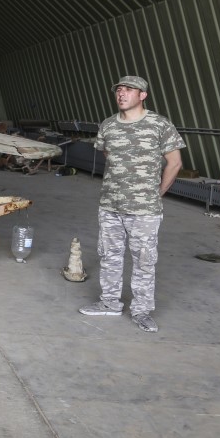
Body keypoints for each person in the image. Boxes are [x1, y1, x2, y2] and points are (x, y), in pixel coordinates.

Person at [79, 75, 185, 332]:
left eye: (129, 90)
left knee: (144, 261)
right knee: (109, 256)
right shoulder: (108, 125)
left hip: (145, 210)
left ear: (142, 95)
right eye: (119, 90)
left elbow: (175, 163)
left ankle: (141, 311)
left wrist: (157, 194)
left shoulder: (159, 124)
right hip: (110, 205)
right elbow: (110, 155)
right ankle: (109, 303)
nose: (122, 94)